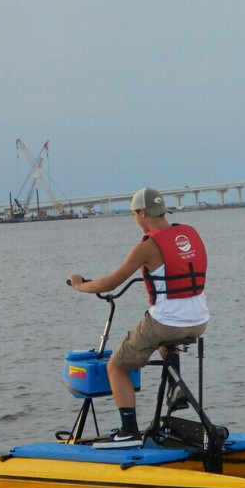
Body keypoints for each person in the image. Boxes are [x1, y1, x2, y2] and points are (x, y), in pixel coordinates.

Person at [68, 187, 209, 447]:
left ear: (142, 213)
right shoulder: (190, 233)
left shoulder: (147, 247)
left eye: (134, 214)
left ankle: (128, 431)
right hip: (199, 320)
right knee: (162, 336)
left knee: (116, 365)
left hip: (168, 323)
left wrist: (79, 285)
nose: (135, 219)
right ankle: (175, 386)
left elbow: (111, 282)